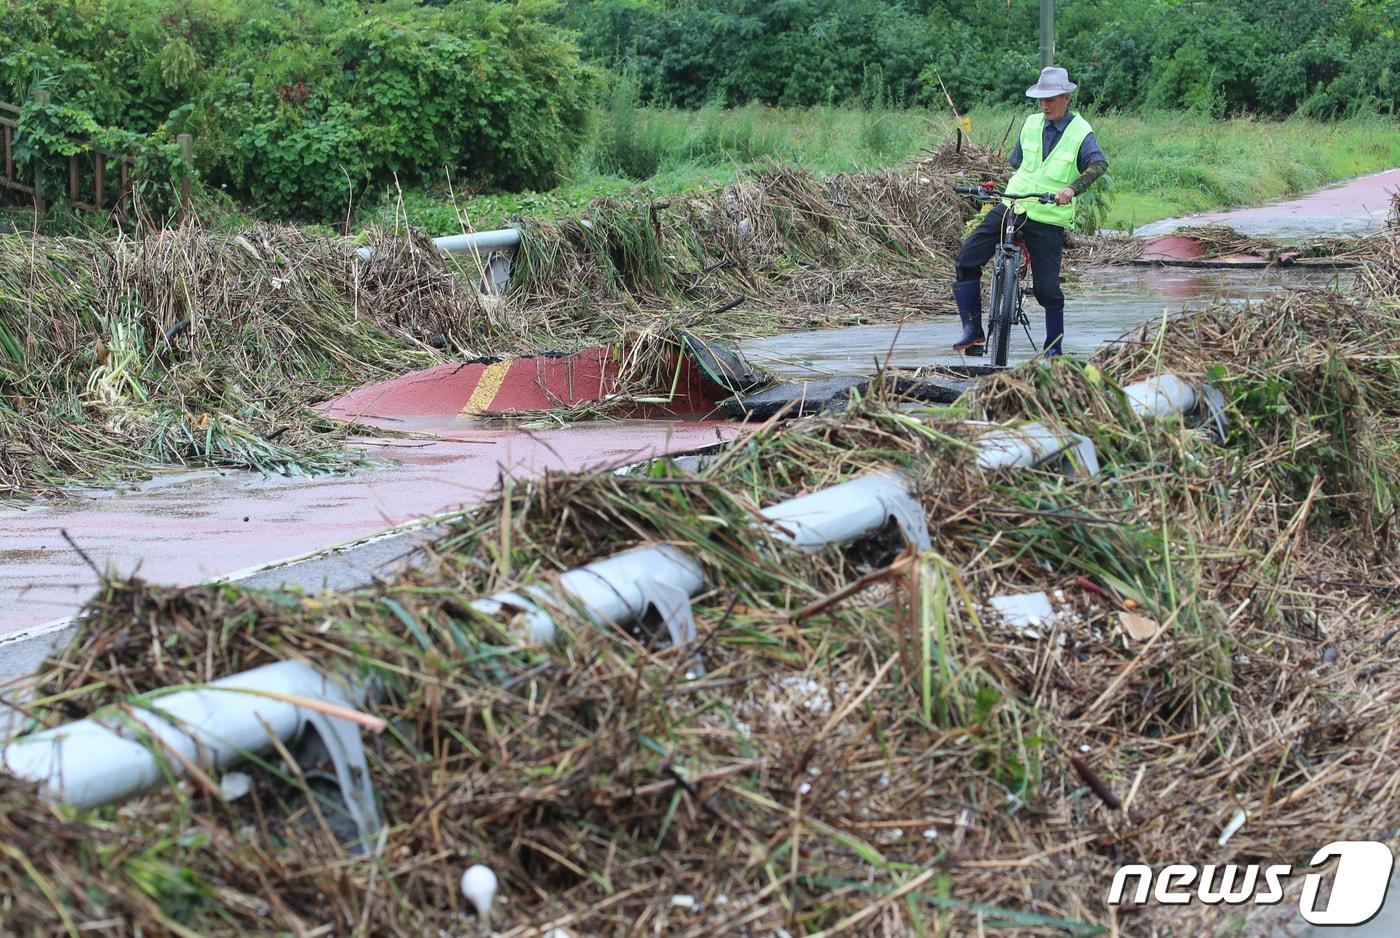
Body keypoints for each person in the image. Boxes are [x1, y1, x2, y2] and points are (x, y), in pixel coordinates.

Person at [952, 66, 1108, 357]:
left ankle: (1053, 350)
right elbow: (1018, 163)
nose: (1044, 104)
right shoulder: (1031, 124)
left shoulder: (1080, 132)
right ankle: (973, 331)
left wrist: (1071, 189)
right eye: (1041, 99)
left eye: (1050, 98)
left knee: (1047, 291)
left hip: (1047, 217)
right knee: (966, 260)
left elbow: (1098, 164)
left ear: (1066, 97)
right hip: (1013, 204)